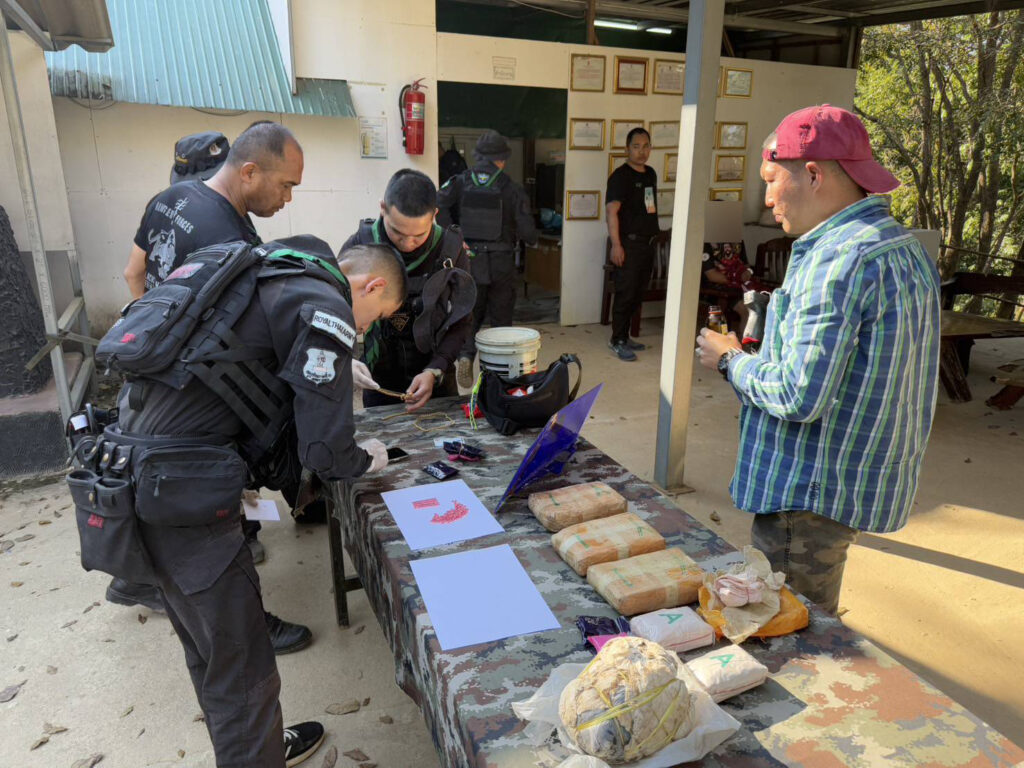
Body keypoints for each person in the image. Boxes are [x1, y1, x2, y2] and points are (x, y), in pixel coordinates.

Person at [92, 236, 406, 767]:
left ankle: (255, 750)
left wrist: (333, 372)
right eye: (373, 318)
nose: (363, 330)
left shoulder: (271, 269)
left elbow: (241, 365)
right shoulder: (326, 303)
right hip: (184, 501)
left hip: (131, 475)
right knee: (242, 671)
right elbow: (325, 452)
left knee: (212, 652)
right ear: (370, 286)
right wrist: (365, 457)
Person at [695, 105, 941, 615]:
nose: (766, 199)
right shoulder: (902, 246)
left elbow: (797, 394)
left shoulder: (836, 259)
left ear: (812, 174)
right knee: (810, 615)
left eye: (771, 180)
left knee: (789, 627)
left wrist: (729, 360)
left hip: (805, 491)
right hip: (848, 479)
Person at [113, 122, 311, 656]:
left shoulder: (169, 199)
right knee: (216, 506)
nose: (288, 199)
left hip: (147, 371)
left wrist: (156, 341)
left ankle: (138, 577)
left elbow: (133, 273)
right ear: (249, 172)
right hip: (195, 394)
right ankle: (247, 625)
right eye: (285, 185)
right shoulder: (232, 239)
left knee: (152, 482)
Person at [340, 169, 475, 411]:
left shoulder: (450, 249)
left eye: (418, 235)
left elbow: (462, 319)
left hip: (436, 371)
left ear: (434, 215)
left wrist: (436, 369)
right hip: (378, 374)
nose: (408, 243)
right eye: (398, 233)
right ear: (383, 208)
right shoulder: (361, 245)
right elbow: (335, 311)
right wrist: (347, 359)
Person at [437, 130, 539, 388]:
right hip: (502, 262)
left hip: (469, 261)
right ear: (502, 159)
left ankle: (465, 355)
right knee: (501, 320)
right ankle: (499, 377)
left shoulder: (459, 181)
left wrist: (455, 236)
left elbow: (438, 206)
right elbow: (529, 234)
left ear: (478, 156)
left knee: (470, 313)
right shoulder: (512, 188)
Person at [605, 127, 660, 362]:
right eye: (636, 146)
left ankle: (625, 336)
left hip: (648, 244)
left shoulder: (650, 174)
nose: (641, 151)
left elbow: (649, 205)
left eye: (646, 146)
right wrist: (616, 245)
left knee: (637, 293)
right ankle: (617, 340)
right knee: (625, 293)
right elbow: (611, 211)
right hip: (629, 244)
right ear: (627, 148)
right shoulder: (620, 176)